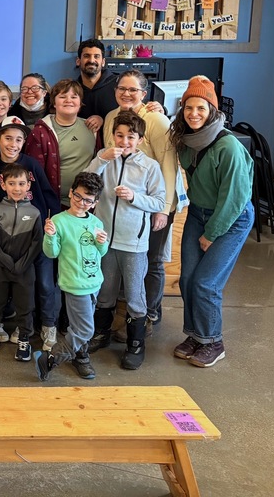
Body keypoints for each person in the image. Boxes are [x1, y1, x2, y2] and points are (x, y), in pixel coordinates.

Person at [170, 76, 254, 368]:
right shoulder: (186, 141)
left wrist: (211, 234)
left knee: (206, 283)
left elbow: (234, 198)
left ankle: (213, 342)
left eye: (201, 108)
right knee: (188, 279)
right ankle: (195, 335)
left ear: (212, 111)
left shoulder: (228, 147)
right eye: (188, 107)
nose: (194, 113)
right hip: (199, 213)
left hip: (230, 218)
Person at [86, 111, 167, 370]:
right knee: (105, 291)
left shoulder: (150, 167)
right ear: (112, 136)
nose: (124, 141)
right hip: (104, 240)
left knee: (134, 294)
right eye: (119, 135)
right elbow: (85, 183)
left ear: (140, 140)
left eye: (130, 137)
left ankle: (136, 344)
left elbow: (158, 202)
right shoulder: (105, 159)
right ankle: (101, 333)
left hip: (133, 242)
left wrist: (134, 197)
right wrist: (100, 159)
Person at [101, 70, 180, 334]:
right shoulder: (112, 118)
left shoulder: (156, 120)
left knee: (152, 260)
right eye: (122, 88)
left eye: (133, 90)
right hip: (122, 210)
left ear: (144, 94)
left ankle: (150, 313)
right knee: (124, 262)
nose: (126, 93)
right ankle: (124, 313)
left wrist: (164, 210)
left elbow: (169, 166)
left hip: (154, 203)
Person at [0, 115, 61, 350]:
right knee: (13, 288)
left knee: (44, 284)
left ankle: (48, 325)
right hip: (8, 241)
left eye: (18, 139)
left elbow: (48, 195)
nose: (13, 144)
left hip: (36, 237)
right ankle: (14, 326)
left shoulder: (31, 165)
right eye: (7, 138)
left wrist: (53, 225)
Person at [36, 172, 109, 381]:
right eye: (78, 196)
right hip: (75, 284)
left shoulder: (96, 222)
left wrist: (102, 242)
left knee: (79, 326)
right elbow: (52, 253)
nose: (81, 202)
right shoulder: (59, 221)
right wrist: (49, 236)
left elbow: (100, 254)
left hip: (94, 282)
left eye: (88, 200)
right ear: (70, 193)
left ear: (95, 202)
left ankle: (81, 356)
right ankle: (50, 358)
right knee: (85, 330)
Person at [0, 163, 43, 363]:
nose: (17, 188)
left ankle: (24, 339)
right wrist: (6, 260)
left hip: (24, 269)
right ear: (4, 185)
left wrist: (22, 264)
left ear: (28, 186)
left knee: (25, 306)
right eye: (12, 183)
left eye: (21, 183)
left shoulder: (34, 213)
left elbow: (37, 242)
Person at [25, 79, 97, 210]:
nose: (68, 100)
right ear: (54, 102)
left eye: (74, 97)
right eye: (62, 96)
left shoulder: (92, 128)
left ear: (80, 103)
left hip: (87, 204)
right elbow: (34, 174)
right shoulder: (40, 132)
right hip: (54, 205)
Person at [75, 38, 118, 136]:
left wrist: (154, 108)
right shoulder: (72, 90)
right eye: (86, 56)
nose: (91, 60)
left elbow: (134, 110)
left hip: (114, 145)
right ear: (78, 61)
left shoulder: (119, 85)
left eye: (96, 56)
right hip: (81, 146)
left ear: (103, 62)